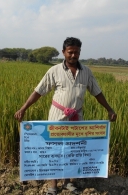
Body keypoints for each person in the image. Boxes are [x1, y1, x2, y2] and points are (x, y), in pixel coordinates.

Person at [14, 37, 117, 195]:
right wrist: (23, 108)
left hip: (77, 118)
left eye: (76, 52)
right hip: (57, 117)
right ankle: (53, 185)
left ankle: (68, 182)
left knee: (73, 150)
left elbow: (97, 92)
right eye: (70, 52)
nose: (73, 55)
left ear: (80, 52)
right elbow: (39, 91)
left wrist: (110, 109)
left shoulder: (86, 72)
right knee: (54, 150)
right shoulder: (54, 71)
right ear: (64, 52)